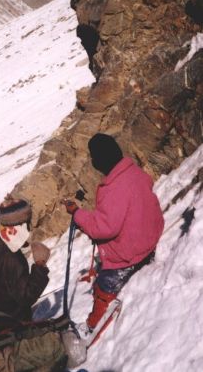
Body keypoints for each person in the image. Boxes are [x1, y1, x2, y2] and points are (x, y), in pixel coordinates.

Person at [64, 133, 164, 336]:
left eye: (94, 158)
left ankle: (93, 326)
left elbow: (105, 227)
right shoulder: (134, 172)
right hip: (148, 237)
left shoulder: (113, 187)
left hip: (129, 251)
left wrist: (77, 213)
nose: (92, 161)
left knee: (104, 284)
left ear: (101, 160)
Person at [0, 196, 67, 372]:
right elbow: (26, 296)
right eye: (27, 222)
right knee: (57, 349)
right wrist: (40, 265)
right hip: (2, 334)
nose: (29, 227)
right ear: (20, 225)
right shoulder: (11, 258)